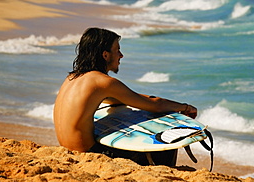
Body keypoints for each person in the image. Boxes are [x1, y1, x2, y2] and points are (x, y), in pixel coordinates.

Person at [53, 27, 197, 166]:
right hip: (88, 153)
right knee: (166, 142)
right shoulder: (103, 82)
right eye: (118, 50)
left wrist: (150, 100)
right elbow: (155, 105)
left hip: (66, 150)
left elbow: (129, 98)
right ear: (105, 55)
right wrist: (185, 107)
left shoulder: (72, 78)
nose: (121, 55)